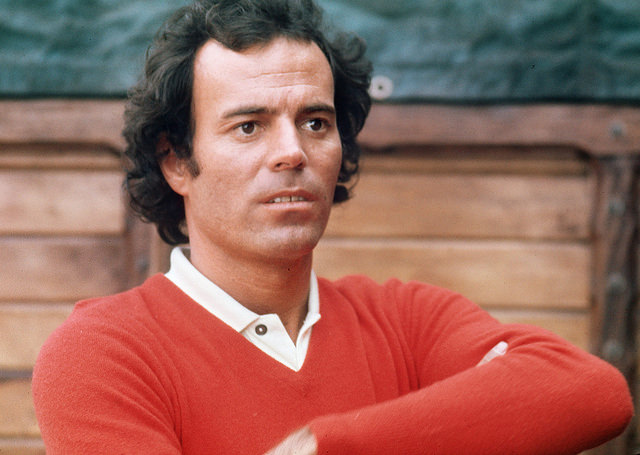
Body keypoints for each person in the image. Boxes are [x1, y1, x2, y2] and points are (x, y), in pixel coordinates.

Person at [32, 0, 633, 454]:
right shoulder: (104, 354)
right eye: (249, 126)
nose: (292, 151)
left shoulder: (405, 321)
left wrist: (324, 446)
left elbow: (590, 392)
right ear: (176, 161)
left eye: (315, 122)